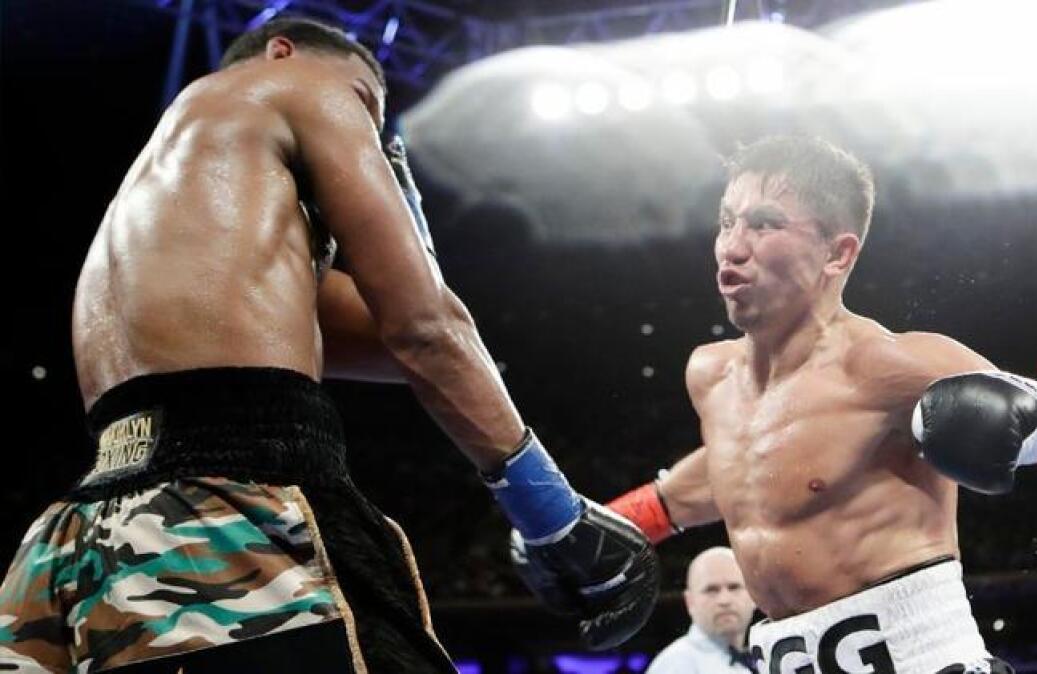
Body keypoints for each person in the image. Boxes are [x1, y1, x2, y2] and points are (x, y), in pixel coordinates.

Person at [0, 17, 657, 674]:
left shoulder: (184, 210)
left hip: (72, 546)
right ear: (282, 52)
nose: (368, 133)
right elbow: (427, 330)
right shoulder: (297, 87)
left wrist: (418, 257)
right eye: (366, 102)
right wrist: (551, 514)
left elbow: (409, 347)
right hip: (229, 518)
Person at [594, 136, 1037, 674]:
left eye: (763, 224)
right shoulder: (711, 373)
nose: (733, 246)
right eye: (726, 221)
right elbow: (741, 467)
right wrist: (616, 523)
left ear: (838, 253)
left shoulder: (889, 367)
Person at [646, 547, 757, 674]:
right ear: (690, 602)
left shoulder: (762, 659)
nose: (724, 600)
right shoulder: (675, 666)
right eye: (711, 590)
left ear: (754, 595)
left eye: (734, 587)